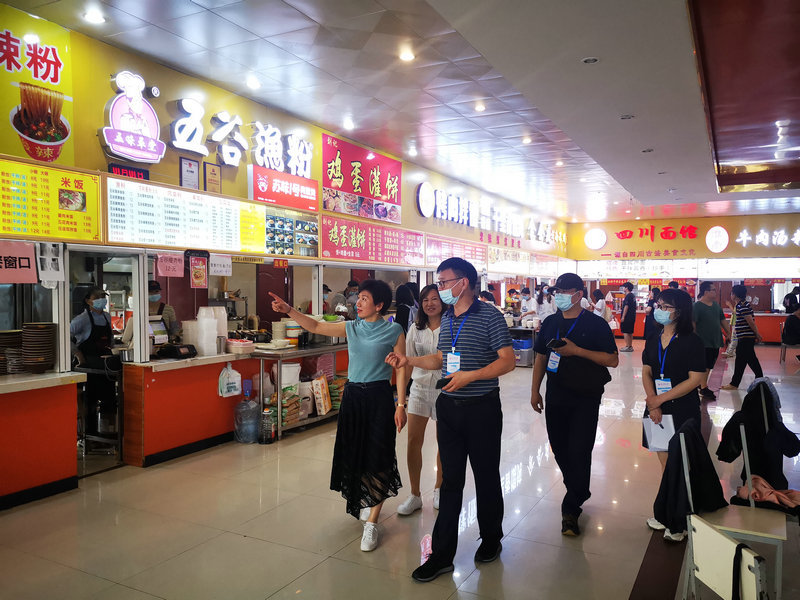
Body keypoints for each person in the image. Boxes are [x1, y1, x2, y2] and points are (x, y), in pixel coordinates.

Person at [385, 257, 515, 583]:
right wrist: (408, 360)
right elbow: (442, 358)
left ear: (463, 282)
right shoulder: (448, 318)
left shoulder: (490, 316)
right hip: (450, 408)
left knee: (486, 476)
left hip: (482, 409)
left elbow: (508, 361)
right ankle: (442, 555)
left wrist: (472, 376)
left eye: (443, 282)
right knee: (450, 481)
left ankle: (491, 539)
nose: (440, 288)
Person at [269, 280, 407, 552]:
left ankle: (372, 522)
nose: (358, 303)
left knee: (379, 454)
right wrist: (289, 310)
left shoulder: (394, 330)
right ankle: (365, 498)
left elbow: (402, 368)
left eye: (364, 299)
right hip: (353, 396)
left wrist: (400, 404)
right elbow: (316, 326)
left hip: (379, 397)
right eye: (359, 298)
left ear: (379, 305)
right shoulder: (352, 327)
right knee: (355, 452)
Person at [530, 273, 619, 536]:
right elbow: (541, 358)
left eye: (564, 291)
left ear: (579, 295)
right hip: (556, 395)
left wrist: (577, 351)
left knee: (579, 449)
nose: (558, 296)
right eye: (556, 291)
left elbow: (613, 360)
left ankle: (571, 507)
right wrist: (535, 391)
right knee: (559, 447)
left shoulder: (595, 324)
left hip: (585, 397)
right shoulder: (550, 322)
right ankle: (578, 488)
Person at [641, 288, 705, 474]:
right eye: (658, 305)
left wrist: (659, 400)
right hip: (656, 408)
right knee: (665, 462)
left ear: (680, 311)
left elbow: (695, 379)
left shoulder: (692, 341)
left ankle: (681, 493)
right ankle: (668, 492)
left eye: (665, 307)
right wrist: (653, 403)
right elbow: (646, 371)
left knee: (683, 462)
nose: (659, 310)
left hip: (683, 407)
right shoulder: (653, 338)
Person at [396, 284, 444, 516]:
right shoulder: (416, 329)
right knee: (414, 441)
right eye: (425, 300)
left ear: (443, 301)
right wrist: (401, 402)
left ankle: (439, 488)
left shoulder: (451, 326)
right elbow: (405, 364)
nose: (430, 304)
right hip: (419, 389)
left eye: (434, 299)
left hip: (445, 389)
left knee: (444, 441)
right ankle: (414, 494)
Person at [69, 286, 119, 436]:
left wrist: (114, 348)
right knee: (90, 400)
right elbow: (64, 337)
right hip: (88, 364)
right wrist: (78, 354)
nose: (101, 300)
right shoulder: (81, 319)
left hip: (105, 363)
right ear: (87, 301)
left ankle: (107, 433)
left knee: (109, 399)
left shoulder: (107, 317)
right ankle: (90, 435)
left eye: (103, 296)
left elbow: (110, 339)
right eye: (96, 297)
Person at [692, 281, 730, 400]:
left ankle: (701, 385)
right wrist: (694, 339)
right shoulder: (697, 306)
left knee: (709, 364)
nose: (715, 292)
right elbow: (693, 323)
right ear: (706, 292)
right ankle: (703, 387)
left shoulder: (716, 306)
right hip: (702, 342)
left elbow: (722, 321)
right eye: (713, 290)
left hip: (715, 340)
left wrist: (729, 333)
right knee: (704, 365)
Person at [721, 285, 763, 390]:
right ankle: (735, 383)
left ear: (735, 295)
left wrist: (757, 333)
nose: (731, 295)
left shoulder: (743, 305)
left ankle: (760, 379)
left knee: (750, 359)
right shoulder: (741, 305)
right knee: (741, 360)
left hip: (746, 337)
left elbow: (750, 322)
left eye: (731, 293)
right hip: (744, 337)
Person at [619, 282, 636, 352]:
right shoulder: (632, 296)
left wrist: (623, 317)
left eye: (624, 287)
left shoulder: (628, 296)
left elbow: (626, 306)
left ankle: (628, 346)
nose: (623, 288)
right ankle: (630, 346)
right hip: (632, 316)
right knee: (630, 331)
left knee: (625, 331)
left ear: (627, 288)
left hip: (627, 317)